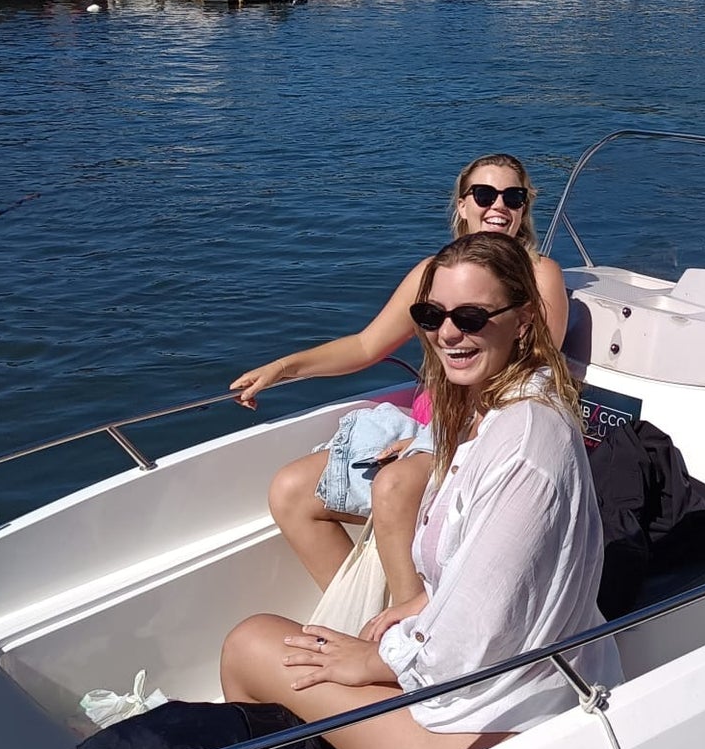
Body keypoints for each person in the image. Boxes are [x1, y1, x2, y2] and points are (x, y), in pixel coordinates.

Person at [220, 233, 619, 749]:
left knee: (250, 644)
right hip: (482, 691)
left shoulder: (525, 445)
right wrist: (421, 604)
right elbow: (489, 568)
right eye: (432, 315)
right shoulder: (484, 411)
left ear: (525, 319)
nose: (449, 333)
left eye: (473, 317)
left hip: (487, 729)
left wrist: (372, 659)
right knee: (291, 644)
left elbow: (469, 643)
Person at [231, 155, 569, 594]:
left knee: (393, 487)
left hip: (486, 434)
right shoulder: (435, 274)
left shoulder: (539, 276)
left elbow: (532, 377)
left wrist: (433, 441)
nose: (497, 206)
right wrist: (282, 368)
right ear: (462, 205)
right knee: (291, 490)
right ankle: (368, 622)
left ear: (525, 207)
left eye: (512, 196)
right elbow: (365, 346)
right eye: (484, 195)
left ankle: (405, 636)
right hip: (430, 424)